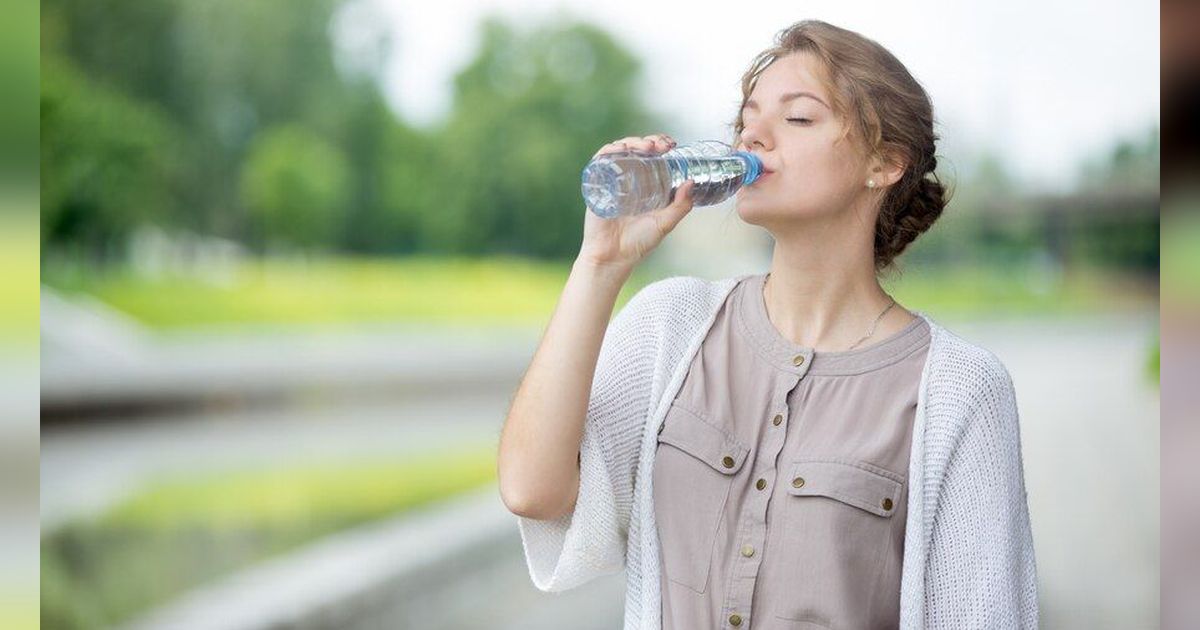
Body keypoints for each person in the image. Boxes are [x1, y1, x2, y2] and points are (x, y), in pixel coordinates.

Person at [498, 19, 1038, 630]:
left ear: (884, 163)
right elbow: (531, 491)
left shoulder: (962, 390)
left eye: (798, 118)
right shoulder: (672, 325)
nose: (753, 134)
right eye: (747, 117)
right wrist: (600, 263)